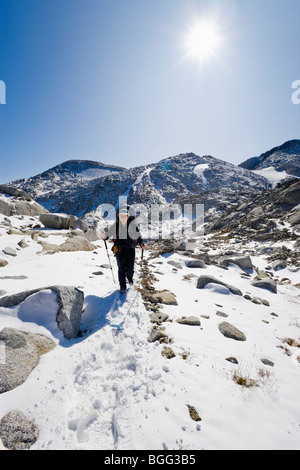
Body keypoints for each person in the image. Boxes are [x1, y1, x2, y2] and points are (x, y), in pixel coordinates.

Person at [101, 206, 146, 293]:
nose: (122, 217)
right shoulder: (116, 225)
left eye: (124, 216)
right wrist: (104, 236)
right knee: (121, 268)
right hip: (119, 249)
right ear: (119, 217)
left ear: (128, 216)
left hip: (130, 249)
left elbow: (139, 236)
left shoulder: (132, 225)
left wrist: (141, 243)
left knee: (130, 268)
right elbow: (108, 235)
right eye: (121, 216)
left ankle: (129, 278)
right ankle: (122, 286)